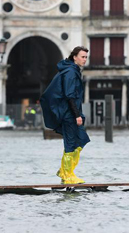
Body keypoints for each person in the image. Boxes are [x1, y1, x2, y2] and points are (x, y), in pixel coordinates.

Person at [40, 46, 91, 185]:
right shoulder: (70, 72)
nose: (85, 59)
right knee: (71, 143)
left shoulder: (73, 70)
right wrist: (77, 115)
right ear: (74, 57)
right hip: (69, 114)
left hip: (71, 113)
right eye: (82, 56)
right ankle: (67, 175)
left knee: (81, 140)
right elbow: (69, 95)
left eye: (86, 57)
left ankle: (64, 171)